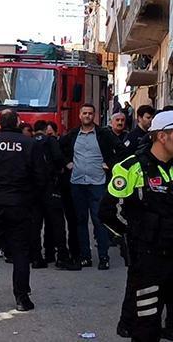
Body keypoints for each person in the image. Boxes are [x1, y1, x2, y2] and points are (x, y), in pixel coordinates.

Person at [99, 110, 173, 341]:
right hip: (149, 262)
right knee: (145, 328)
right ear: (162, 136)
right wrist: (132, 236)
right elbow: (107, 212)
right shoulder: (131, 167)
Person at [0, 109, 45, 311]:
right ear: (18, 122)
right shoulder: (29, 144)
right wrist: (33, 203)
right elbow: (40, 177)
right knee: (21, 253)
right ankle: (22, 298)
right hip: (20, 206)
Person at [59, 103, 126, 269]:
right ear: (80, 116)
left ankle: (104, 257)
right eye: (84, 113)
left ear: (94, 116)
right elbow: (58, 148)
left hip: (97, 183)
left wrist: (110, 164)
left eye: (90, 113)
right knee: (80, 221)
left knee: (99, 220)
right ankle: (85, 257)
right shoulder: (73, 134)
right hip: (77, 183)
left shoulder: (104, 134)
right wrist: (66, 162)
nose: (87, 116)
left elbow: (122, 150)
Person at [30, 120, 79, 270]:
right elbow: (58, 158)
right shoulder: (50, 141)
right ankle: (62, 257)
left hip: (33, 189)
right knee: (57, 223)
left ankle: (37, 258)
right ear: (45, 130)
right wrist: (61, 169)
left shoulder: (29, 142)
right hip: (50, 187)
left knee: (35, 224)